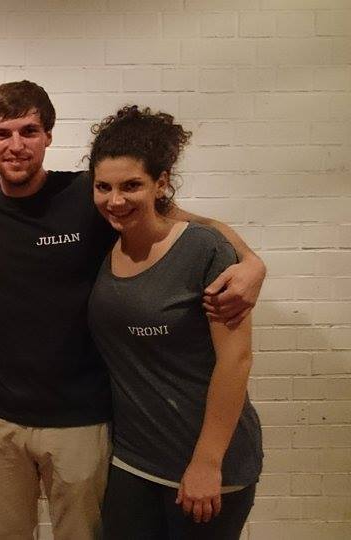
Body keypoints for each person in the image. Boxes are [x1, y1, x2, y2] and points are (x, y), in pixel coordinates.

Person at [0, 81, 266, 539]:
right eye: (2, 133)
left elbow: (179, 218)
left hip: (82, 419)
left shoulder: (90, 195)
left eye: (29, 130)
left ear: (48, 136)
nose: (16, 144)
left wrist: (251, 260)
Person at [86, 106, 262, 539]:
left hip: (206, 465)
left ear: (161, 183)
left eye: (131, 185)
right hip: (134, 460)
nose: (115, 200)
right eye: (104, 187)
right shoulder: (106, 239)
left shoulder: (202, 250)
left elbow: (236, 360)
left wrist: (207, 462)